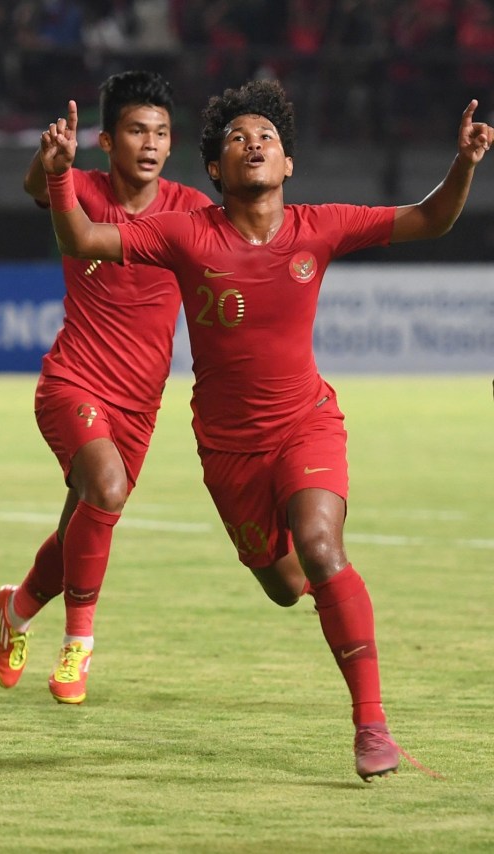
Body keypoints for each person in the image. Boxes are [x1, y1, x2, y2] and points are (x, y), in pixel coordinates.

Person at [37, 80, 493, 780]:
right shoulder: (187, 231)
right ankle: (332, 600)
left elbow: (430, 219)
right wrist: (63, 175)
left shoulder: (320, 226)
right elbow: (83, 236)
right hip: (228, 452)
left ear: (288, 166)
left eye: (268, 138)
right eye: (236, 139)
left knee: (319, 544)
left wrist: (462, 164)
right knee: (285, 584)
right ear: (216, 171)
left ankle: (372, 726)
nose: (254, 143)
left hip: (306, 423)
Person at [0, 70, 214, 705]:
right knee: (107, 489)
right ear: (107, 141)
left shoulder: (193, 209)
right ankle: (79, 645)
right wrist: (50, 162)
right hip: (73, 381)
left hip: (140, 406)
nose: (150, 143)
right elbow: (37, 185)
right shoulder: (79, 186)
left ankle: (18, 607)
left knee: (79, 529)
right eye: (136, 130)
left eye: (161, 133)